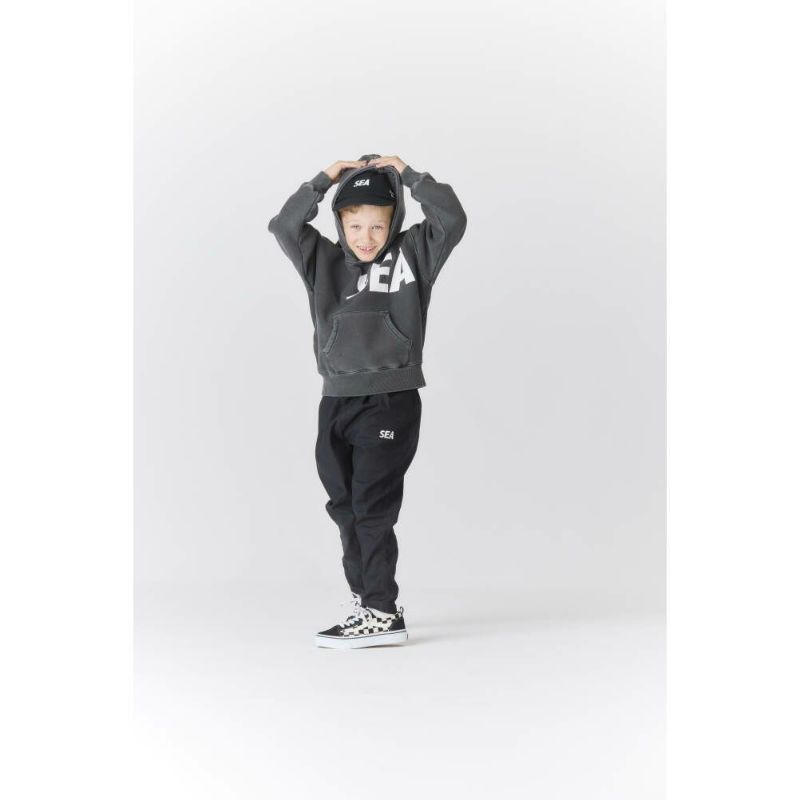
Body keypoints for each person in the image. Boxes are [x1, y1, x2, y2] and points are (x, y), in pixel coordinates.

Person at [267, 153, 467, 648]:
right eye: (355, 226)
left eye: (378, 225)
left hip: (390, 399)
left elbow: (451, 217)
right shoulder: (322, 260)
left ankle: (382, 610)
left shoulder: (414, 253)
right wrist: (323, 180)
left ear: (394, 221)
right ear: (340, 223)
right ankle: (367, 602)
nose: (366, 237)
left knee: (372, 506)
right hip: (336, 400)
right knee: (344, 506)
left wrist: (409, 175)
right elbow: (284, 226)